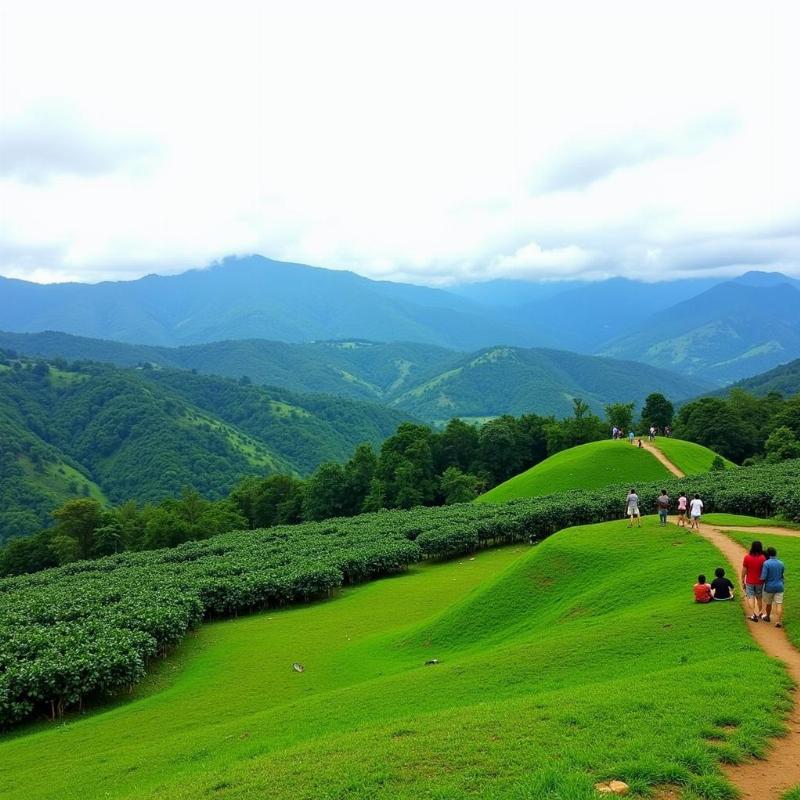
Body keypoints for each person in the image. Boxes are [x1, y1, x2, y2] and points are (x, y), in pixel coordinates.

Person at [741, 540, 766, 622]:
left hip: (749, 582)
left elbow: (744, 570)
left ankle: (752, 614)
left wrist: (742, 579)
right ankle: (760, 613)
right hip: (760, 582)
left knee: (750, 597)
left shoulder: (747, 557)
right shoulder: (763, 558)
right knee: (759, 598)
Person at [761, 546, 786, 628]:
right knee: (779, 604)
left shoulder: (766, 563)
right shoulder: (781, 563)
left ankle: (767, 617)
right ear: (776, 553)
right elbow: (782, 576)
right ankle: (778, 621)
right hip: (779, 586)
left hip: (769, 587)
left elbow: (763, 577)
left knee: (769, 604)